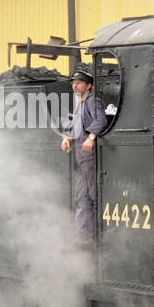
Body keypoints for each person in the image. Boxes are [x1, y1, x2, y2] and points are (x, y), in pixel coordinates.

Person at [61, 65, 108, 240]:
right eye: (74, 83)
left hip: (90, 157)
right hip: (79, 158)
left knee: (95, 195)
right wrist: (67, 138)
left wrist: (92, 137)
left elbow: (100, 120)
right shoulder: (78, 104)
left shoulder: (93, 102)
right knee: (81, 197)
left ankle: (101, 236)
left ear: (88, 85)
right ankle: (84, 236)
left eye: (79, 83)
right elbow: (75, 126)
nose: (75, 86)